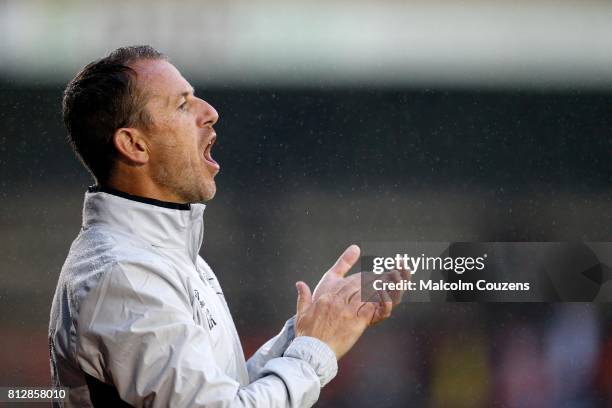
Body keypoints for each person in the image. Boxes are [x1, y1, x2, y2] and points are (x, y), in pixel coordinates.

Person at [49, 45, 406, 407]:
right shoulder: (125, 276)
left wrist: (309, 330)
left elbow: (224, 392)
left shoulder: (169, 258)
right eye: (183, 105)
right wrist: (314, 353)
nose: (210, 112)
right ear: (134, 144)